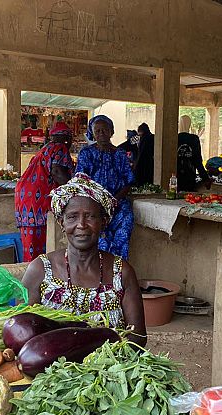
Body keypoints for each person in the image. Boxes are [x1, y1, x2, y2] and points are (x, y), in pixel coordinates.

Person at [22, 173, 146, 346]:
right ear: (61, 222)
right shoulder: (41, 270)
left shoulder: (122, 272)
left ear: (103, 222)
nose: (81, 224)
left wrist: (102, 362)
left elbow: (138, 338)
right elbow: (24, 331)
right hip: (51, 369)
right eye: (72, 217)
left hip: (110, 369)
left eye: (90, 216)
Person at [75, 115, 135, 259]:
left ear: (111, 131)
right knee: (99, 239)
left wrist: (114, 201)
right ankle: (100, 274)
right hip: (93, 204)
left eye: (105, 130)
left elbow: (128, 180)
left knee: (123, 234)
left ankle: (119, 272)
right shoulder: (86, 153)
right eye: (98, 130)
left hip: (118, 204)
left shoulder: (120, 154)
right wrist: (98, 201)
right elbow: (80, 180)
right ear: (93, 133)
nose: (101, 133)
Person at [15, 122, 75, 261]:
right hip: (36, 199)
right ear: (67, 138)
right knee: (39, 243)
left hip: (24, 198)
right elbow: (57, 172)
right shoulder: (60, 148)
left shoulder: (45, 149)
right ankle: (36, 276)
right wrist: (74, 188)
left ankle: (30, 274)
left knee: (30, 242)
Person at [176, 115, 211, 192]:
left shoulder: (174, 138)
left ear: (179, 124)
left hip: (175, 176)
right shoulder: (193, 139)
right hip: (190, 175)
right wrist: (205, 178)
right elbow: (198, 161)